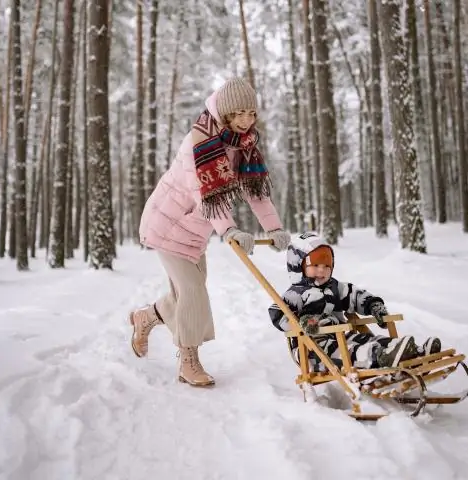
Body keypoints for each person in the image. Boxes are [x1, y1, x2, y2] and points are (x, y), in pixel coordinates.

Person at [130, 77, 291, 387]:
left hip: (194, 232)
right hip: (167, 226)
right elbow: (204, 193)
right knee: (192, 292)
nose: (247, 120)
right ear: (226, 113)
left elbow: (255, 192)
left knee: (185, 295)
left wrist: (275, 228)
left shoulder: (243, 145)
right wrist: (229, 229)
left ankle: (146, 317)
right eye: (240, 113)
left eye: (251, 113)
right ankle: (188, 363)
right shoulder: (198, 142)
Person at [268, 233, 441, 371]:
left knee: (367, 340)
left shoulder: (336, 287)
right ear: (298, 266)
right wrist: (301, 324)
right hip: (313, 348)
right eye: (315, 265)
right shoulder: (294, 294)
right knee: (350, 351)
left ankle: (414, 353)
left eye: (327, 265)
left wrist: (373, 305)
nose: (322, 270)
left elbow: (354, 295)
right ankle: (380, 357)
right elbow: (277, 313)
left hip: (343, 335)